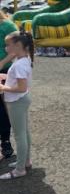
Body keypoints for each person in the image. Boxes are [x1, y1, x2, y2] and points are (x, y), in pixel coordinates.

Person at [0, 31, 34, 180]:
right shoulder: (23, 59)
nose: (6, 48)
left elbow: (21, 87)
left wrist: (2, 88)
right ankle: (25, 161)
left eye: (8, 45)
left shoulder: (20, 64)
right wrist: (6, 77)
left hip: (17, 101)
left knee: (20, 136)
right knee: (24, 133)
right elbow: (19, 82)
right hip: (21, 100)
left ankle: (20, 169)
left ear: (18, 45)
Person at [0, 10, 17, 162]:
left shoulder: (7, 25)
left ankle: (5, 141)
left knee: (4, 108)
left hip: (4, 71)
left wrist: (2, 63)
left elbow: (17, 47)